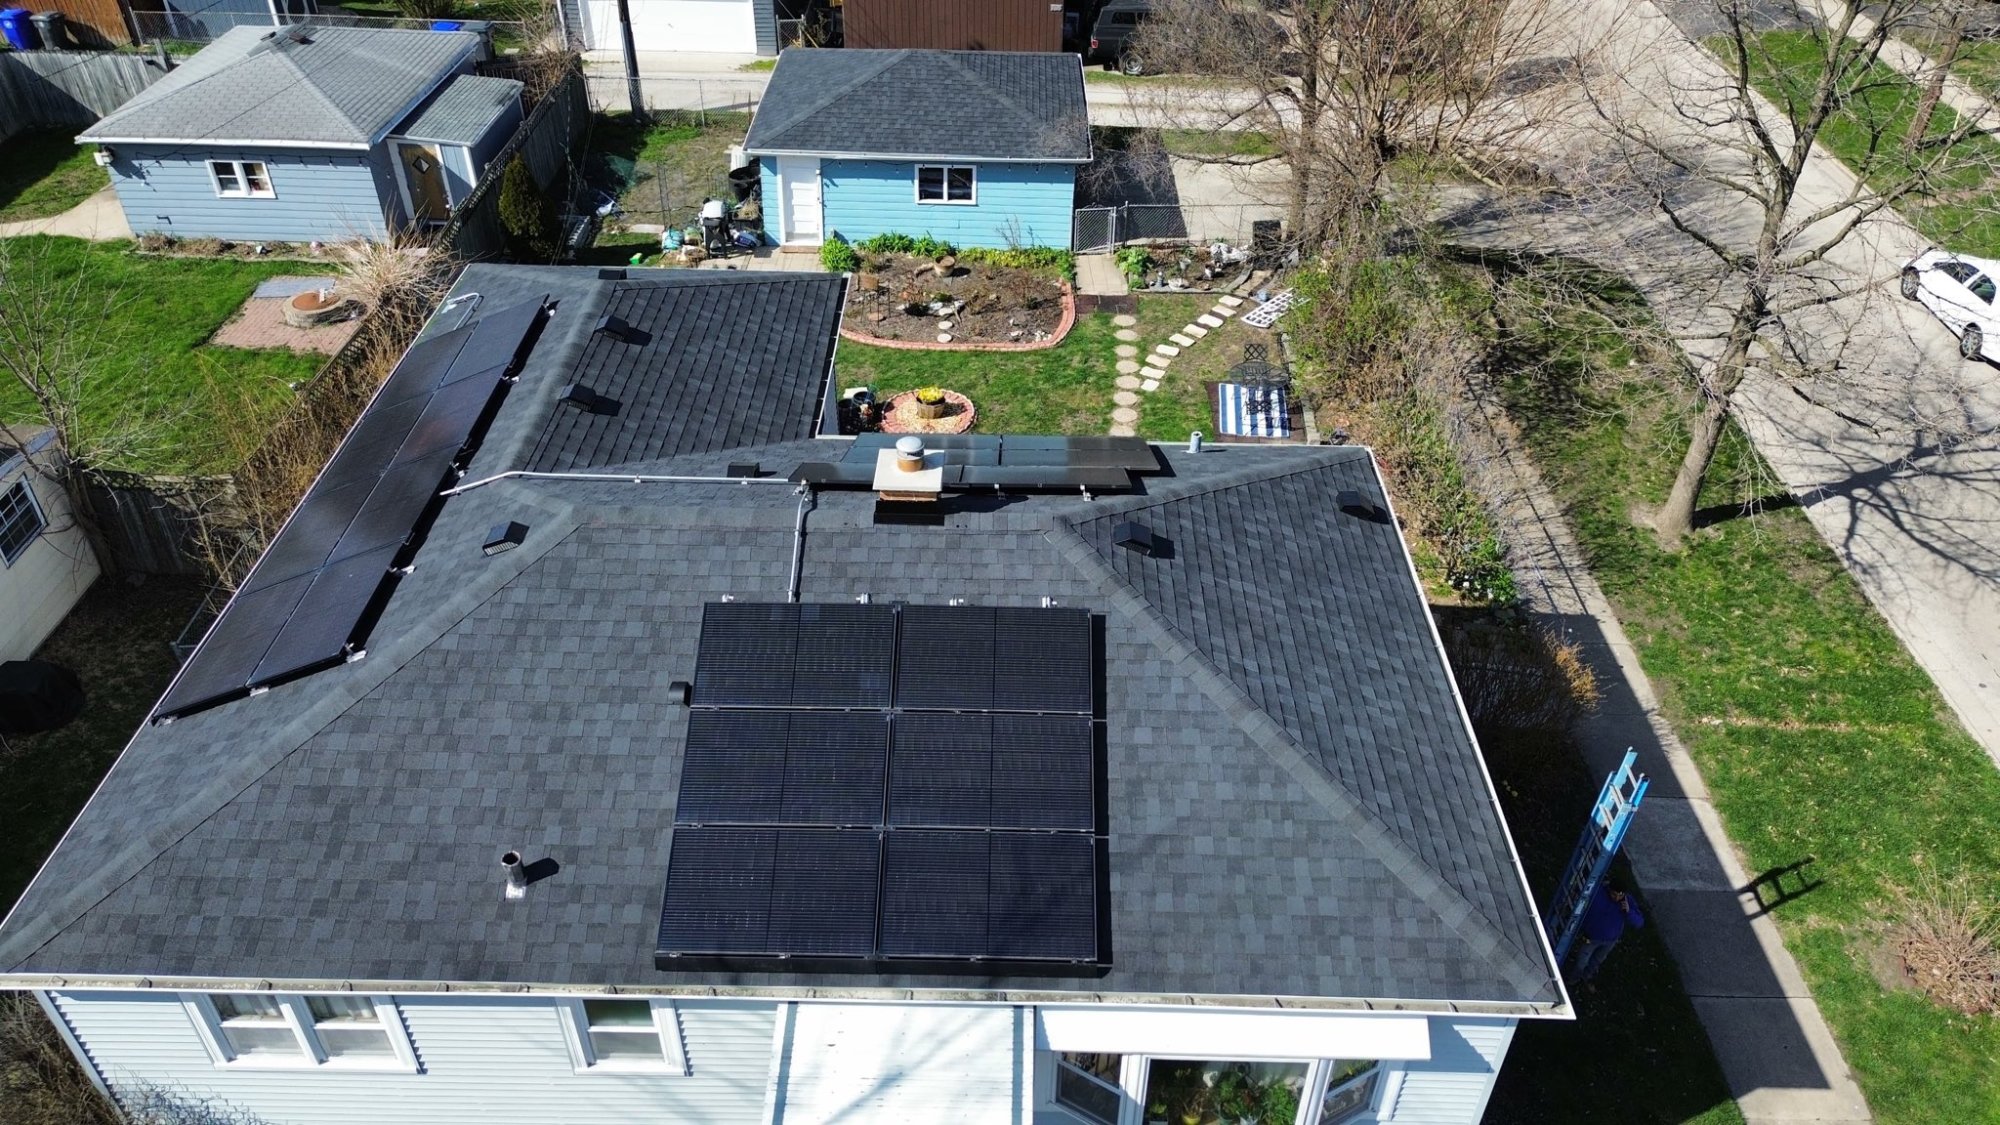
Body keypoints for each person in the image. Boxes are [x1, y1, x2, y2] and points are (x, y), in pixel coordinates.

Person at [1569, 883, 1645, 985]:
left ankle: (1586, 977)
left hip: (1610, 940)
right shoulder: (1598, 893)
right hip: (1591, 937)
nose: (1617, 898)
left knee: (1596, 961)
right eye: (1614, 894)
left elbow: (1639, 923)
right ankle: (1574, 979)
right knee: (1581, 962)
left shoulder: (1628, 902)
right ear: (1609, 889)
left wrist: (1629, 912)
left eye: (1620, 895)